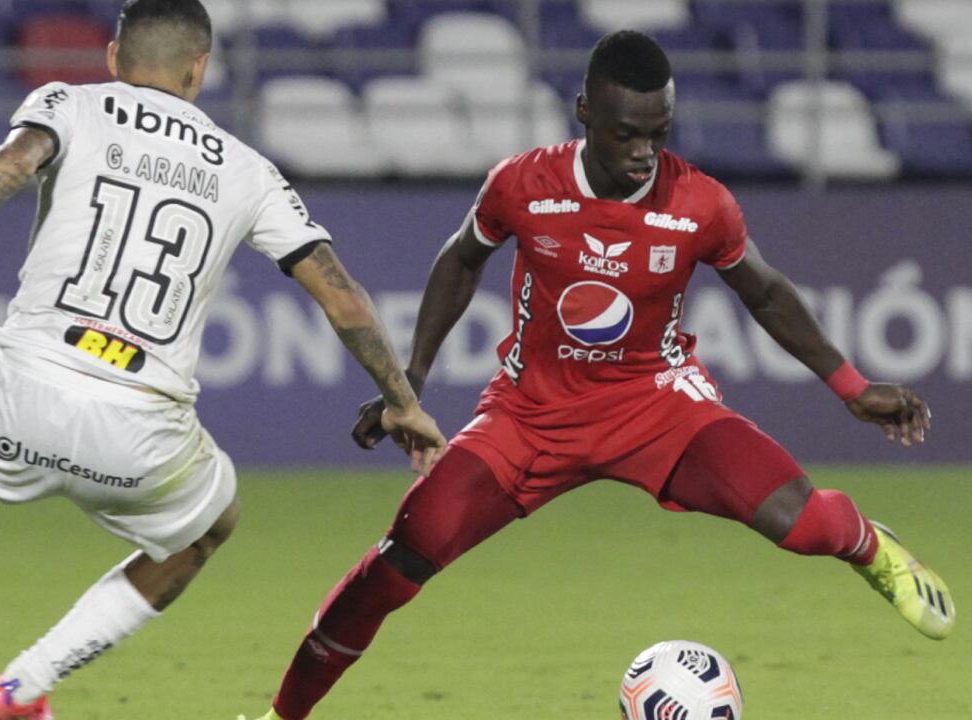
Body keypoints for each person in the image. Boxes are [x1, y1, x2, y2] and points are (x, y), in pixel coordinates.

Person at [241, 30, 953, 720]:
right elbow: (461, 259)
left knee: (799, 523)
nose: (645, 152)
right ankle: (281, 714)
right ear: (585, 112)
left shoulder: (699, 203)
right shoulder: (523, 184)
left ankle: (870, 545)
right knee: (403, 558)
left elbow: (763, 292)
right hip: (530, 418)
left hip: (659, 408)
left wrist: (853, 388)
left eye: (659, 133)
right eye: (627, 134)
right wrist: (410, 385)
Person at [0, 2, 446, 719]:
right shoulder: (249, 169)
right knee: (206, 526)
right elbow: (344, 299)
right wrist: (402, 400)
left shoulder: (70, 105)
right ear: (199, 70)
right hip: (140, 428)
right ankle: (21, 687)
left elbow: (10, 164)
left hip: (19, 390)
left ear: (113, 56)